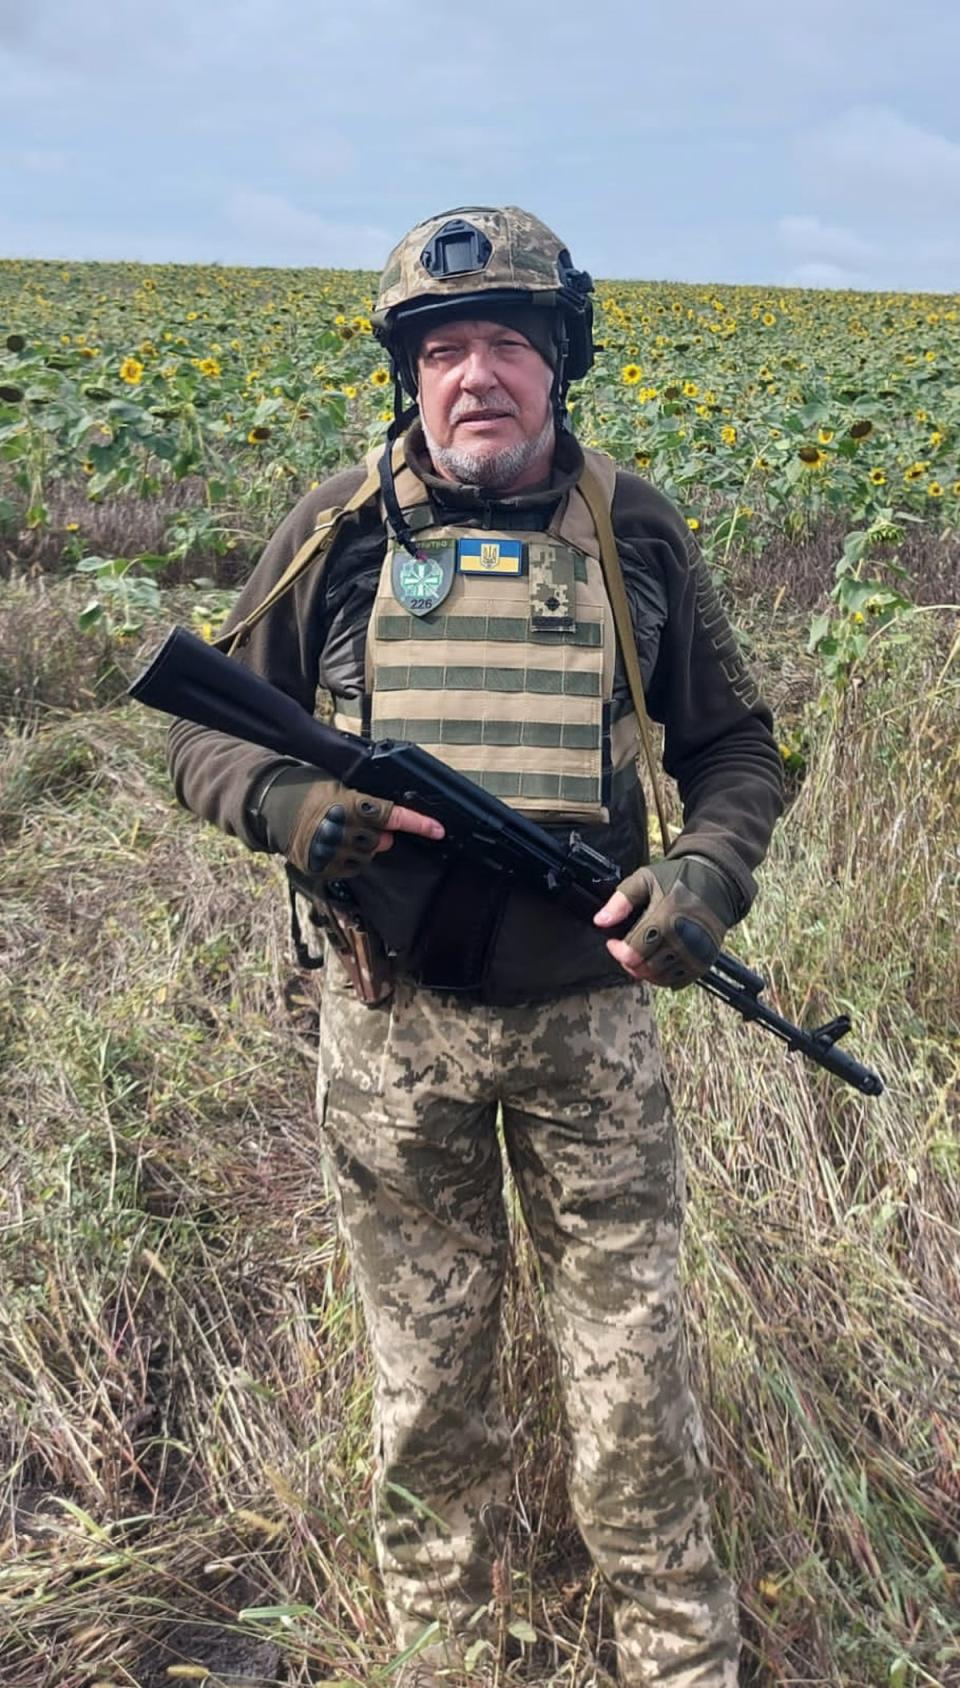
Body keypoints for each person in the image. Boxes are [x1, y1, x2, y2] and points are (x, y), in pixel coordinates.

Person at [167, 205, 783, 1686]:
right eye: (444, 348)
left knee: (634, 1388)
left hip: (591, 1023)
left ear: (560, 363)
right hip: (391, 1032)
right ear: (409, 374)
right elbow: (197, 731)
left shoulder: (631, 526)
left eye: (510, 340)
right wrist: (287, 802)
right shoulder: (334, 525)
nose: (477, 374)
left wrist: (703, 877)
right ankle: (446, 1656)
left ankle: (677, 1657)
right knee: (428, 1391)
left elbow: (737, 750)